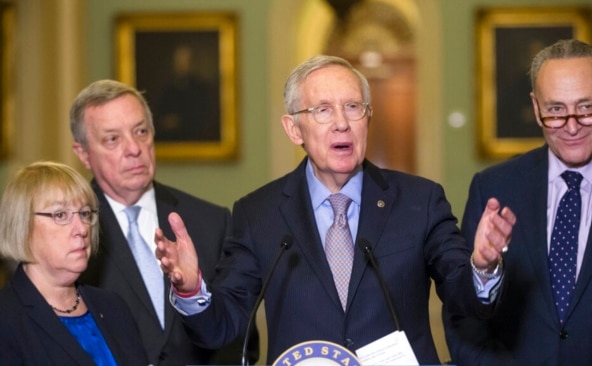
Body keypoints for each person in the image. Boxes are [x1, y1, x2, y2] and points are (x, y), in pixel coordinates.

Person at [155, 55, 516, 364]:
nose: (342, 122)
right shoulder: (258, 214)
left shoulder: (420, 201)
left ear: (368, 118)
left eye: (353, 107)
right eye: (323, 110)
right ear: (294, 129)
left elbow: (462, 293)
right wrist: (191, 290)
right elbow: (223, 326)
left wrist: (482, 268)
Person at [444, 39, 592, 366]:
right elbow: (463, 318)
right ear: (536, 108)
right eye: (555, 110)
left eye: (585, 108)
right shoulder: (494, 188)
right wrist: (482, 273)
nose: (571, 126)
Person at [70, 79, 256, 365]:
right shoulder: (73, 231)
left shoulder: (211, 222)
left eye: (141, 131)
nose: (134, 148)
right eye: (113, 139)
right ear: (83, 154)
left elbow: (243, 340)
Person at [0, 161, 148, 365]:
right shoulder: (7, 319)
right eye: (60, 215)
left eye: (85, 213)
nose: (82, 228)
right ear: (22, 225)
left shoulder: (114, 307)